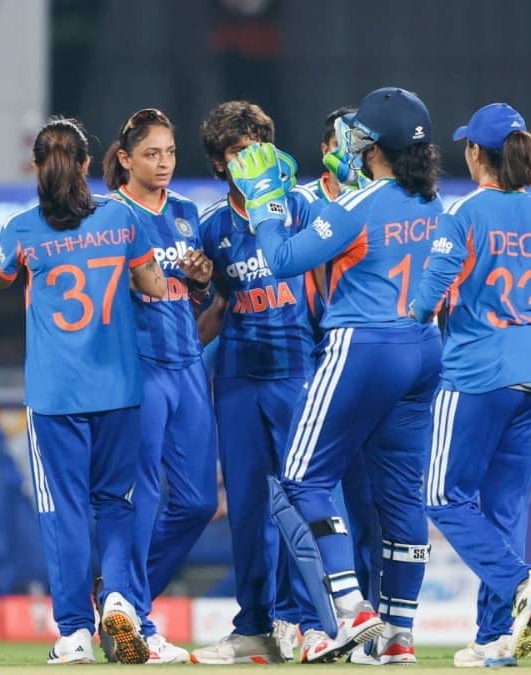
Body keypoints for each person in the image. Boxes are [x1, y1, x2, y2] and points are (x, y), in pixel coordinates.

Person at [229, 86, 446, 664]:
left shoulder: (360, 204)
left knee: (300, 476)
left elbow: (281, 261)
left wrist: (264, 201)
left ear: (374, 143)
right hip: (424, 346)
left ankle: (352, 608)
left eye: (358, 133)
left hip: (364, 342)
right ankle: (399, 634)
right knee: (401, 496)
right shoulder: (430, 200)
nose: (348, 140)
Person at [408, 103, 531, 666]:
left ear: (477, 152)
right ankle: (494, 639)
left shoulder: (465, 211)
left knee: (442, 496)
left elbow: (427, 300)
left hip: (476, 373)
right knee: (502, 510)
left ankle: (521, 582)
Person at [0, 116, 167, 665]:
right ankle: (118, 597)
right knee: (117, 505)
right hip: (118, 389)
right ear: (89, 164)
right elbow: (155, 286)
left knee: (63, 511)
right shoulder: (122, 218)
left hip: (54, 397)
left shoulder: (21, 228)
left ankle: (74, 633)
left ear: (38, 166)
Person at [187, 100, 320, 665]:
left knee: (303, 498)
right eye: (238, 152)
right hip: (239, 377)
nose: (249, 159)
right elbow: (214, 310)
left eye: (257, 147)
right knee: (247, 509)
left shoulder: (302, 207)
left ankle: (306, 621)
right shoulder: (211, 224)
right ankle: (254, 626)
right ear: (219, 162)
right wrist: (198, 296)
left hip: (300, 370)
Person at [100, 107, 217, 664]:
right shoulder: (109, 216)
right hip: (139, 367)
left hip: (189, 363)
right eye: (152, 153)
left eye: (170, 152)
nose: (164, 162)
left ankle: (120, 599)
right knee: (141, 495)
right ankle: (134, 616)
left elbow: (195, 296)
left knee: (195, 501)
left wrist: (199, 282)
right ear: (125, 159)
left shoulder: (189, 212)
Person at [301, 105, 386, 662]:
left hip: (370, 365)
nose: (352, 148)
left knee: (371, 504)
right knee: (308, 488)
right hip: (315, 363)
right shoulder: (304, 202)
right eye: (343, 139)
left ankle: (373, 624)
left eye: (360, 140)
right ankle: (315, 620)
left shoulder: (385, 201)